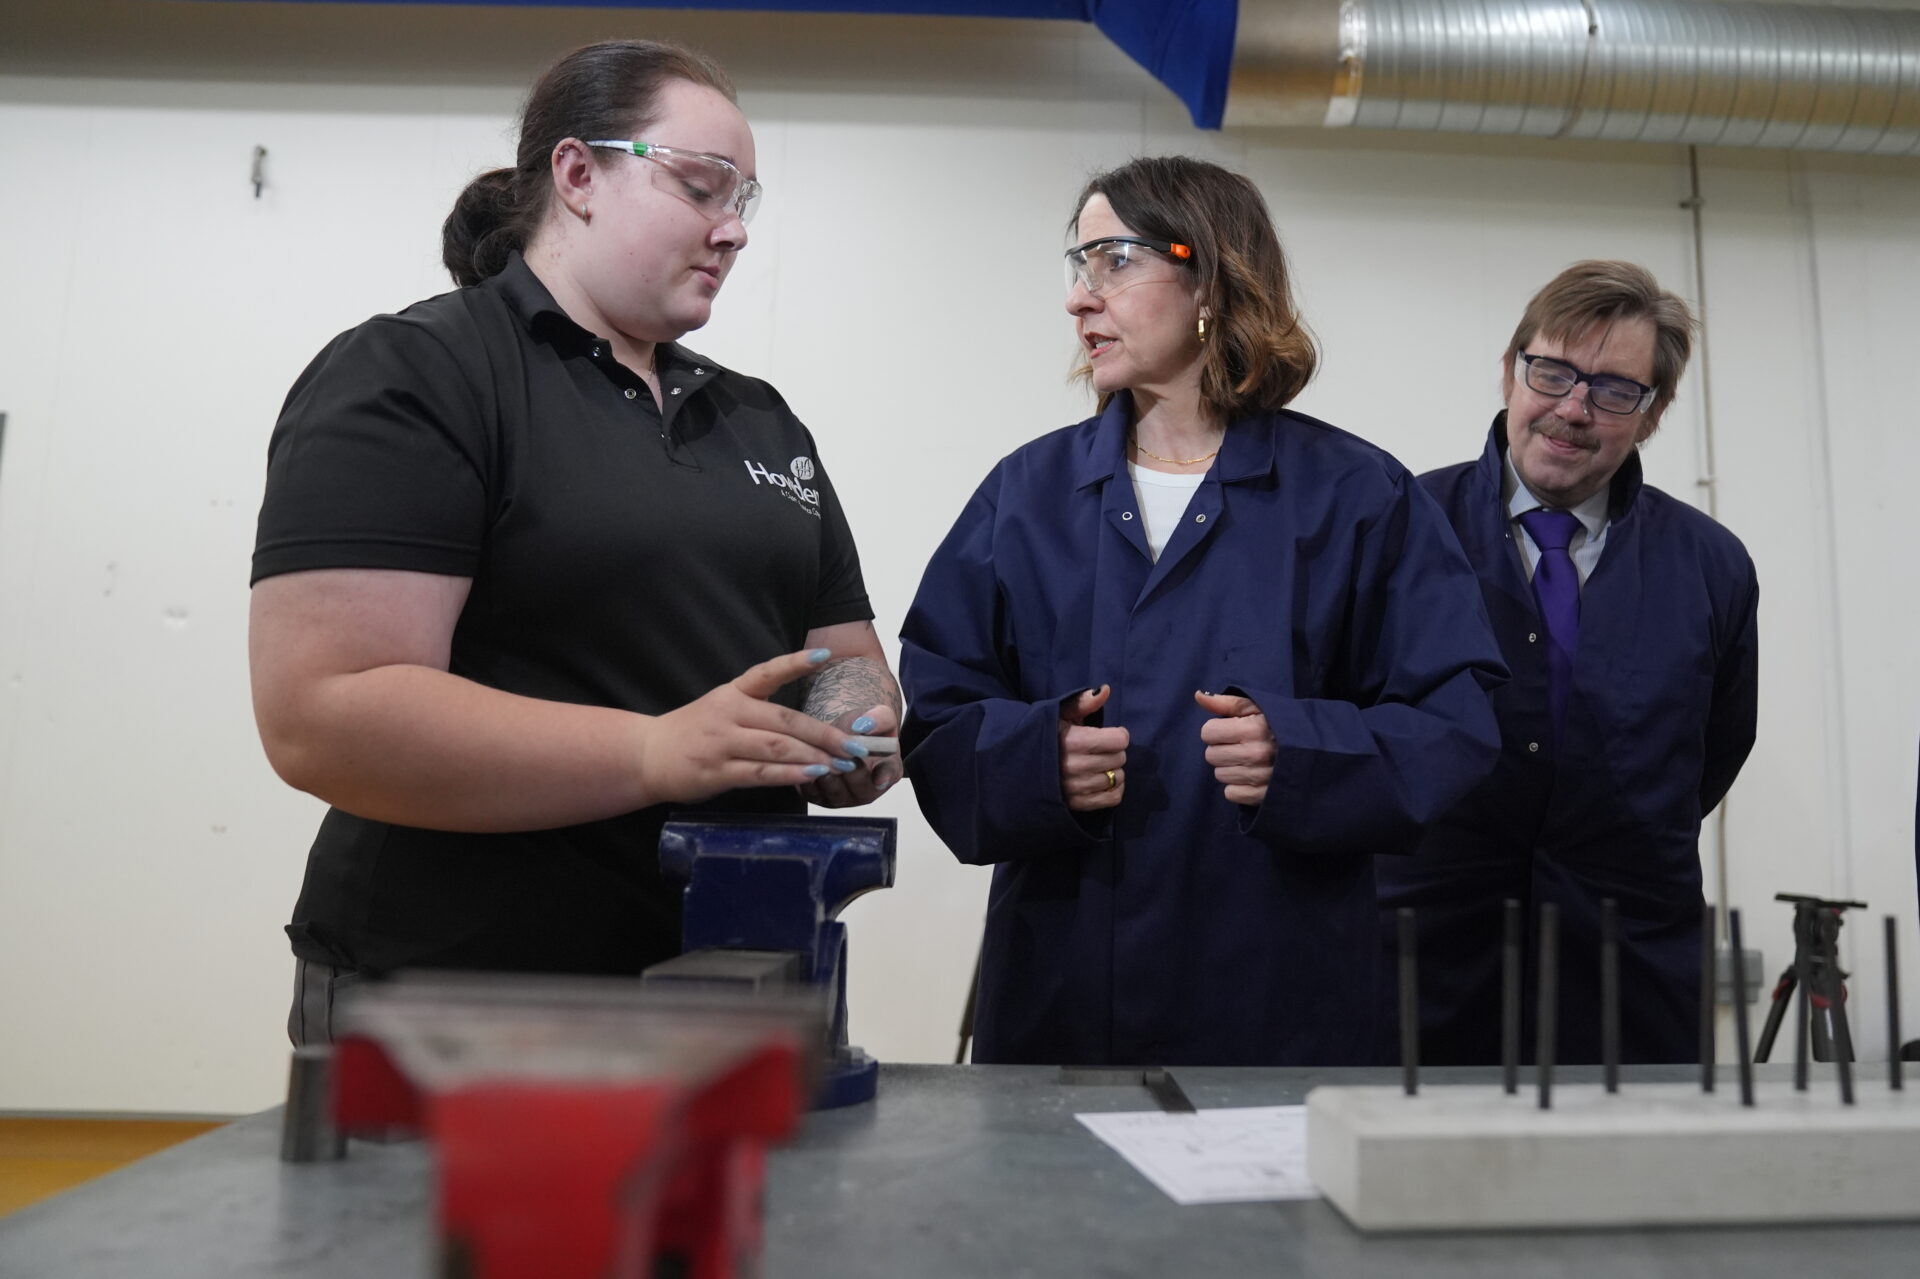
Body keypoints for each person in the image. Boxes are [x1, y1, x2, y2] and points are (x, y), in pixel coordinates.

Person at [249, 40, 900, 1045]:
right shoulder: (420, 373)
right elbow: (325, 712)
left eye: (745, 201)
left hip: (733, 986)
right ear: (578, 174)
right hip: (459, 1000)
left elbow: (842, 654)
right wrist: (652, 750)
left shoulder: (759, 421)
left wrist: (851, 728)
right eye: (701, 185)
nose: (733, 229)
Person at [898, 156, 1507, 1067]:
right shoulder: (1026, 495)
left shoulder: (1356, 495)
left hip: (1280, 1004)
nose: (1079, 297)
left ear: (1211, 279)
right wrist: (1035, 759)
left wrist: (1303, 755)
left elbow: (1455, 720)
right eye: (1078, 264)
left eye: (1114, 260)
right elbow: (939, 713)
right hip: (1064, 996)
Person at [1378, 260, 1760, 1066]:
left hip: (1629, 982)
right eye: (1551, 373)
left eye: (1614, 390)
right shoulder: (1400, 530)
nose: (1573, 409)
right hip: (1423, 968)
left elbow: (1714, 752)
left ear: (1653, 413)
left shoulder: (1711, 566)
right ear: (1510, 371)